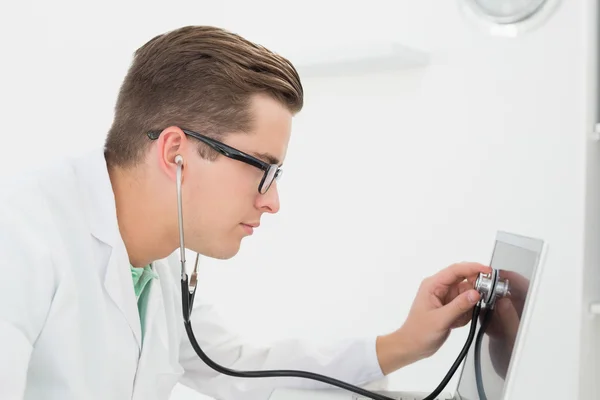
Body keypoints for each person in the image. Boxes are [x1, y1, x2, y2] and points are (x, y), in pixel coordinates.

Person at [0, 25, 491, 400]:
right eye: (262, 168)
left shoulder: (155, 267)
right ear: (176, 153)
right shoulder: (21, 237)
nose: (272, 200)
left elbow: (236, 367)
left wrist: (404, 342)